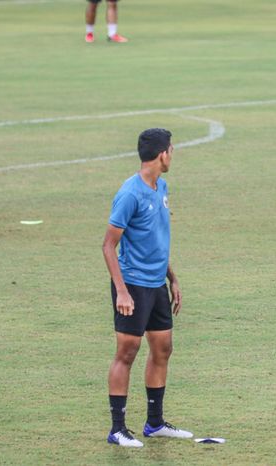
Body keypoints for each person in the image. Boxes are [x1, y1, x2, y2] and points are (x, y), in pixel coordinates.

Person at [102, 128, 192, 447]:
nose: (172, 155)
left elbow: (155, 237)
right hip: (133, 285)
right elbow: (109, 246)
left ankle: (154, 424)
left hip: (156, 285)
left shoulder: (161, 186)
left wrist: (172, 277)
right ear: (161, 154)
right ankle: (117, 429)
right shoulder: (130, 193)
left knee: (163, 348)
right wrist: (122, 291)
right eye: (171, 149)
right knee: (127, 351)